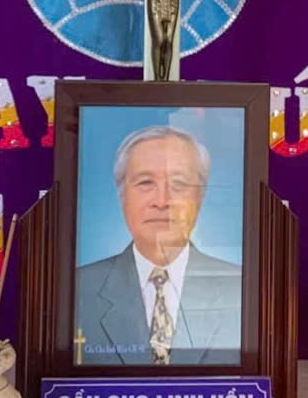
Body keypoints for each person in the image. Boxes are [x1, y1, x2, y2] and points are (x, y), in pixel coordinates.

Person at [74, 123, 242, 365]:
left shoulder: (241, 289)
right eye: (145, 183)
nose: (162, 201)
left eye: (179, 184)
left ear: (201, 196)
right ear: (122, 195)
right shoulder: (78, 290)